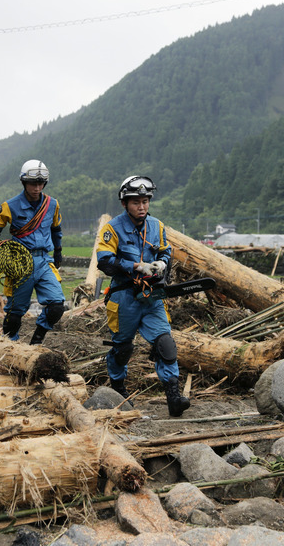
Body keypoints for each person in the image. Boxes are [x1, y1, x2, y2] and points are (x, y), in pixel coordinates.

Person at [95, 175, 190, 417]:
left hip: (152, 297)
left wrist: (161, 263)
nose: (142, 206)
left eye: (145, 201)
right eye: (136, 202)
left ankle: (173, 398)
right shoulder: (112, 229)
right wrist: (135, 267)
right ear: (125, 203)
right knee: (122, 348)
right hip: (124, 297)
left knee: (165, 344)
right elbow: (105, 262)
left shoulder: (157, 226)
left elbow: (165, 251)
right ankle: (118, 386)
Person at [0, 159, 65, 345]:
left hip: (44, 261)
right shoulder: (10, 205)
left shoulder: (52, 204)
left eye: (40, 183)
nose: (37, 187)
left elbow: (56, 229)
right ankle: (10, 346)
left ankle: (37, 340)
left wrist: (58, 252)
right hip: (20, 264)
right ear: (23, 182)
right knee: (15, 312)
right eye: (32, 183)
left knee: (56, 307)